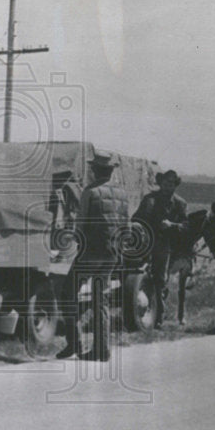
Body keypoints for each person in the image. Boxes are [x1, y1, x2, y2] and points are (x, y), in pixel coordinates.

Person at [57, 152, 129, 361]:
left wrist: (77, 244)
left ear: (95, 170)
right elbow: (126, 224)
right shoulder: (122, 194)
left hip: (91, 252)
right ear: (111, 170)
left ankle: (74, 343)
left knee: (68, 293)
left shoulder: (90, 192)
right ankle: (102, 349)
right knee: (101, 299)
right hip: (112, 253)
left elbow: (80, 224)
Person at [132, 169, 188, 326]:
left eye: (171, 184)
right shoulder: (149, 199)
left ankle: (159, 316)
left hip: (166, 243)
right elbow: (136, 218)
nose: (167, 187)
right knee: (134, 271)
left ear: (175, 185)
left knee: (160, 279)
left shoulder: (180, 203)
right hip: (145, 241)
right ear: (160, 183)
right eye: (165, 183)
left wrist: (172, 225)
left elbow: (186, 226)